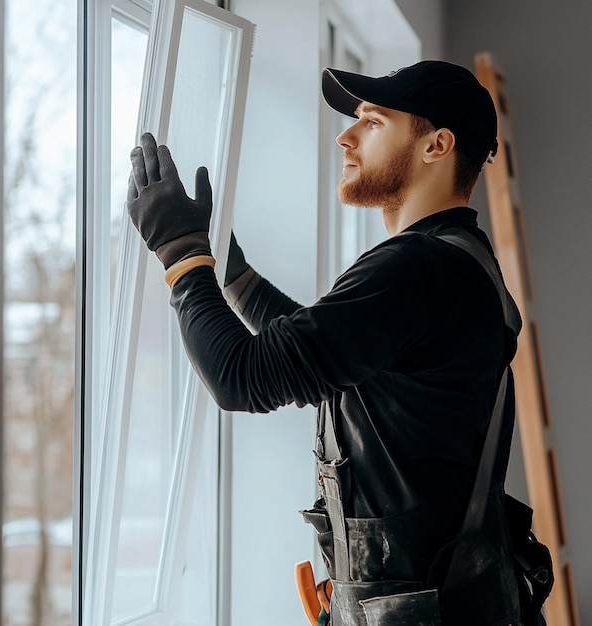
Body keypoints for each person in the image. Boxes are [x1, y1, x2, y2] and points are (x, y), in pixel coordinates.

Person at [127, 60, 526, 625]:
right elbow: (332, 362)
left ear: (437, 145)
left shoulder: (416, 268)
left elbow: (244, 378)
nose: (346, 134)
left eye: (373, 120)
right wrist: (233, 275)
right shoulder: (461, 260)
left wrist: (180, 254)